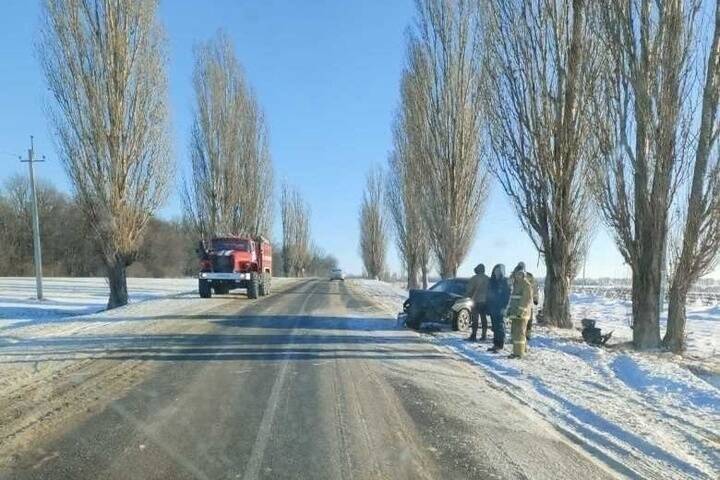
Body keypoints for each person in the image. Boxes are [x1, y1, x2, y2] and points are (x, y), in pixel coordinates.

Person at [507, 263, 535, 358]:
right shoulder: (516, 284)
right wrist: (510, 310)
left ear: (523, 274)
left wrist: (520, 311)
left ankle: (519, 354)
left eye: (520, 274)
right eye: (516, 274)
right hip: (515, 313)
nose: (518, 276)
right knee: (515, 332)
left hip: (522, 314)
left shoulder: (526, 285)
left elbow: (526, 300)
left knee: (519, 333)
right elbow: (513, 299)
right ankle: (520, 350)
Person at [486, 264, 510, 353]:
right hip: (493, 308)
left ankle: (500, 344)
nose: (497, 272)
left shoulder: (504, 282)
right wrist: (488, 306)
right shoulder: (491, 281)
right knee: (495, 327)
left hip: (500, 308)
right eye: (495, 270)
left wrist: (505, 307)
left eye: (499, 271)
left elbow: (507, 296)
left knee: (500, 327)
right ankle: (495, 344)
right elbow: (488, 295)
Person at [512, 262, 539, 341]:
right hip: (517, 301)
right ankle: (516, 336)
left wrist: (535, 299)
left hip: (528, 300)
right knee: (517, 320)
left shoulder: (530, 276)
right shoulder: (514, 275)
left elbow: (534, 288)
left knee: (529, 318)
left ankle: (528, 334)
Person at [465, 263, 489, 342]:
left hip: (475, 301)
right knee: (483, 319)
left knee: (475, 319)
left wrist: (467, 296)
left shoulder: (474, 278)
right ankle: (484, 335)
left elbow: (469, 290)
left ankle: (474, 335)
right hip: (485, 301)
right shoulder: (487, 279)